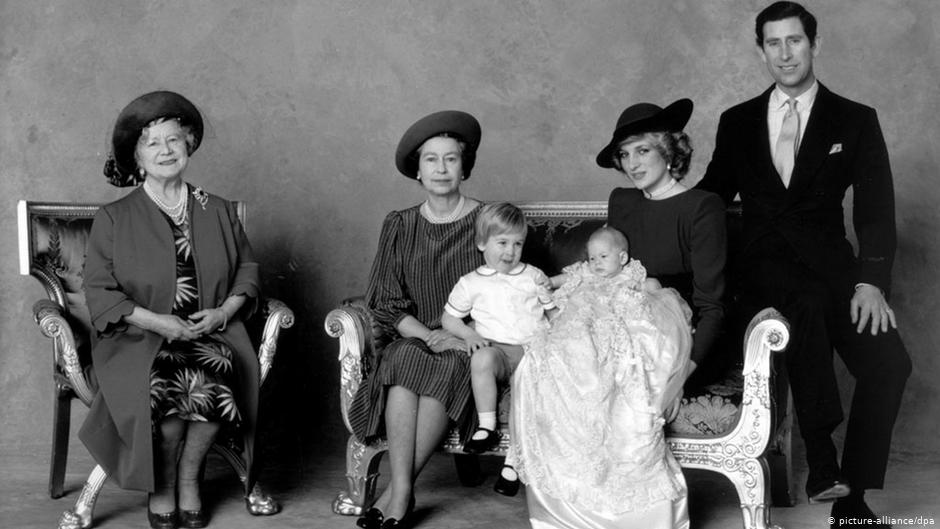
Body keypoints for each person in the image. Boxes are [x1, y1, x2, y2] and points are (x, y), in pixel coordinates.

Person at [698, 2, 912, 526]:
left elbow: (876, 210)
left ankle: (850, 496)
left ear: (815, 45)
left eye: (795, 41)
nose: (785, 53)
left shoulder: (855, 119)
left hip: (833, 269)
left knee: (889, 365)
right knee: (806, 304)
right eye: (774, 43)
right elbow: (710, 199)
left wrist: (870, 281)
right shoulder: (738, 121)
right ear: (761, 50)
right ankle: (822, 463)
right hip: (759, 271)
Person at [82, 91, 276, 529]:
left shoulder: (218, 209)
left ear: (189, 145)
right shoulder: (115, 217)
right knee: (169, 398)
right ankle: (164, 486)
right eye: (153, 143)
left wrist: (225, 312)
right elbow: (99, 290)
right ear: (137, 156)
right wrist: (157, 322)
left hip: (213, 333)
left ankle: (190, 479)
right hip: (139, 338)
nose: (166, 151)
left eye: (174, 140)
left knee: (213, 379)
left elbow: (247, 269)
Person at [347, 110, 484, 529]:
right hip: (415, 333)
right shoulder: (400, 224)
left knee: (447, 366)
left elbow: (512, 291)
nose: (441, 169)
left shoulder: (489, 218)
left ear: (464, 166)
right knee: (404, 358)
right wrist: (428, 334)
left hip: (469, 339)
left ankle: (396, 493)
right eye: (431, 160)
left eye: (451, 159)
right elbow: (386, 300)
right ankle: (403, 490)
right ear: (418, 170)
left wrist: (457, 336)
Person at [509, 224, 694, 528]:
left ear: (622, 257)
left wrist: (650, 297)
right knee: (555, 353)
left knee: (622, 358)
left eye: (603, 257)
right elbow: (558, 280)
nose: (596, 263)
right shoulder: (585, 275)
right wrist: (543, 283)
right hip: (581, 330)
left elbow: (656, 295)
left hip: (615, 331)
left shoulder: (633, 276)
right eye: (592, 258)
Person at [603, 98, 728, 382]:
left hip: (680, 343)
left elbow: (712, 307)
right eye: (624, 154)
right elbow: (605, 275)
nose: (632, 164)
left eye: (642, 151)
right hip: (622, 333)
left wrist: (682, 376)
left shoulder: (702, 207)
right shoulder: (622, 202)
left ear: (668, 152)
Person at [440, 202, 555, 497]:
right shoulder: (472, 282)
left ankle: (512, 465)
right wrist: (467, 334)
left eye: (517, 244)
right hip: (498, 352)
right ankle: (487, 426)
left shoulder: (533, 276)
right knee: (481, 358)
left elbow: (552, 312)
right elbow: (449, 318)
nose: (510, 251)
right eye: (502, 242)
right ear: (481, 243)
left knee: (524, 394)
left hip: (532, 352)